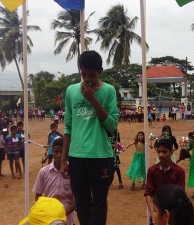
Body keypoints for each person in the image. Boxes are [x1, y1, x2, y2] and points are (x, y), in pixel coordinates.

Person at [60, 50, 119, 225]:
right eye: (83, 74)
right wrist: (63, 159)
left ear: (100, 71)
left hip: (101, 156)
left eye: (91, 75)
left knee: (99, 205)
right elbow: (68, 127)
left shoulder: (108, 91)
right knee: (81, 204)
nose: (87, 79)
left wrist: (92, 99)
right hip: (76, 156)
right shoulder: (71, 91)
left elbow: (112, 126)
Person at [32, 138, 75, 225]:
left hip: (68, 220)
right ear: (52, 152)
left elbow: (76, 201)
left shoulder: (73, 172)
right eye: (56, 151)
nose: (59, 155)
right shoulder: (44, 171)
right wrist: (47, 214)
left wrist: (61, 216)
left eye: (62, 152)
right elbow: (38, 197)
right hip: (49, 220)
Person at [144, 138, 185, 225]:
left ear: (171, 152)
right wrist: (153, 213)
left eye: (164, 151)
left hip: (174, 215)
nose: (161, 155)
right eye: (158, 152)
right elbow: (148, 193)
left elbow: (181, 196)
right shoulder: (152, 170)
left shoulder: (179, 172)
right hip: (157, 213)